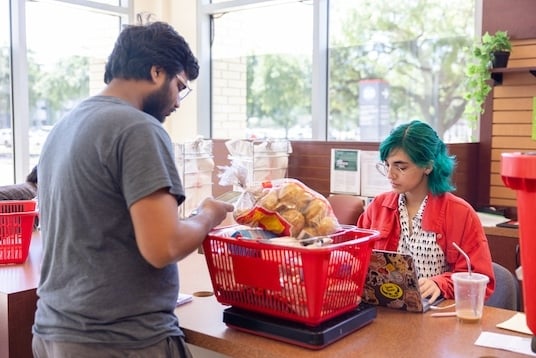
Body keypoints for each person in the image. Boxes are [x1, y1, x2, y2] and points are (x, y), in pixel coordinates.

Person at [32, 21, 234, 357]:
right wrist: (208, 215)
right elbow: (163, 246)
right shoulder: (139, 128)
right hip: (119, 339)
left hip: (55, 333)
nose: (179, 102)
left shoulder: (64, 126)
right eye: (180, 85)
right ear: (157, 72)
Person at [357, 120, 495, 304]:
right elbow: (356, 258)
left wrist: (440, 283)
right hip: (386, 310)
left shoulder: (460, 213)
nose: (390, 175)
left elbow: (479, 279)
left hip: (438, 317)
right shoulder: (379, 206)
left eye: (401, 167)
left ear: (428, 166)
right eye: (387, 165)